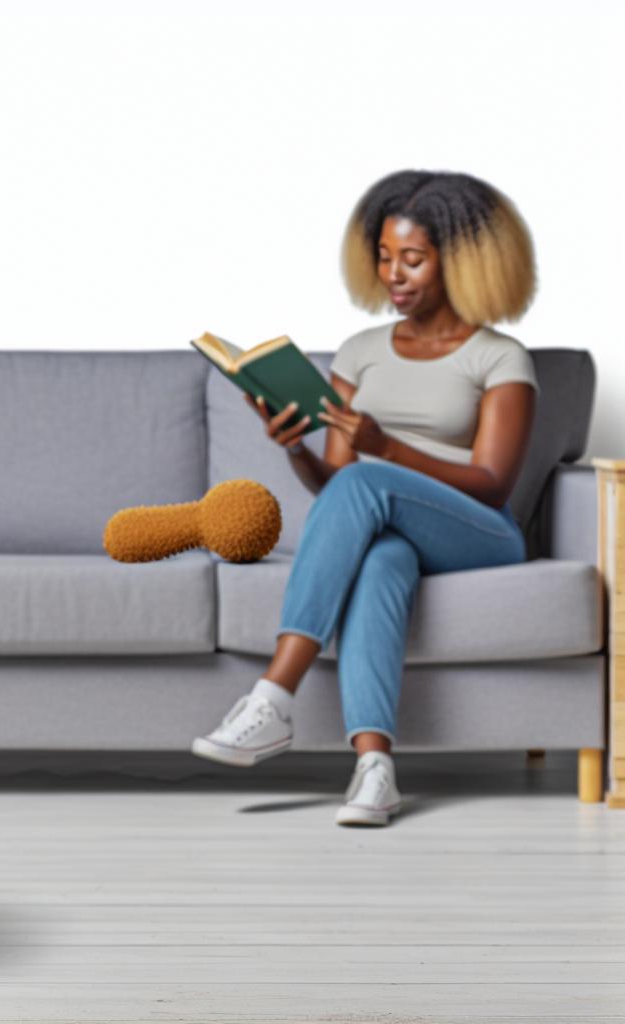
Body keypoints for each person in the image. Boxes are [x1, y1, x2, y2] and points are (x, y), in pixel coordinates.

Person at [191, 169, 541, 827]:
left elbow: (494, 481)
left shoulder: (499, 358)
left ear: (463, 262)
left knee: (367, 485)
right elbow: (336, 490)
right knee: (380, 557)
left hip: (481, 533)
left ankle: (274, 696)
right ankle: (374, 769)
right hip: (387, 518)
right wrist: (293, 445)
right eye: (384, 257)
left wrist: (387, 448)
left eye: (413, 259)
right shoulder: (361, 353)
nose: (394, 275)